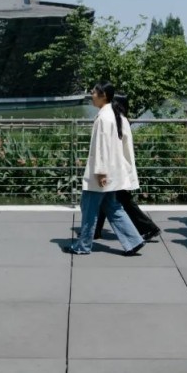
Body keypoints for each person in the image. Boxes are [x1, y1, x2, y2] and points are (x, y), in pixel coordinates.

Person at [69, 83, 145, 256]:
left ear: (103, 95)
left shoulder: (104, 118)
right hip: (113, 173)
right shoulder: (116, 115)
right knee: (113, 207)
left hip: (101, 174)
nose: (91, 94)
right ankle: (133, 240)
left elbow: (102, 147)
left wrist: (101, 172)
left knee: (89, 208)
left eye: (94, 92)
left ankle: (83, 245)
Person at [94, 94, 161, 241]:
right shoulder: (121, 120)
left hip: (116, 169)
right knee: (108, 200)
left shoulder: (118, 120)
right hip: (119, 168)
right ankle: (96, 230)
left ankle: (149, 228)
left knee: (122, 201)